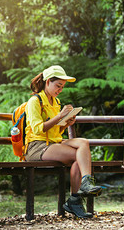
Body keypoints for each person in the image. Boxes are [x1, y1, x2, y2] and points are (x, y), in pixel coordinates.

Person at [24, 65, 101, 219]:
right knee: (79, 157)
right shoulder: (34, 101)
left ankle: (81, 189)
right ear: (47, 82)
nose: (60, 89)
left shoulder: (56, 101)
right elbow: (38, 129)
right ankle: (75, 199)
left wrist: (67, 122)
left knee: (83, 143)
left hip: (53, 143)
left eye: (62, 87)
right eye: (58, 85)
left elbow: (56, 131)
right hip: (36, 147)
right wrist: (60, 116)